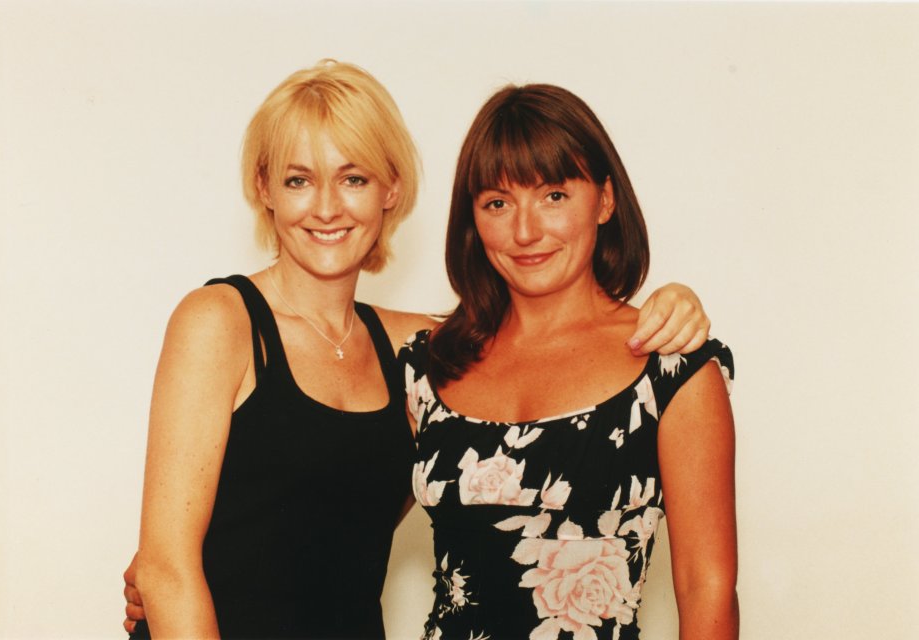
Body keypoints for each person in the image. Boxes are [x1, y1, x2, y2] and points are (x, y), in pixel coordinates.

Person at [123, 60, 713, 639]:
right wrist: (161, 574)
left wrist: (672, 300)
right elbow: (166, 569)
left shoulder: (421, 350)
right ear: (264, 189)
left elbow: (543, 334)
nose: (326, 207)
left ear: (391, 189)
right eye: (298, 179)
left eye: (352, 178)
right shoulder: (219, 322)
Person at [399, 84, 737, 640]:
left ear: (605, 200)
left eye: (553, 195)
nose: (525, 230)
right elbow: (343, 534)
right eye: (497, 203)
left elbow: (708, 590)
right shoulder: (428, 364)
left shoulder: (673, 367)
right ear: (472, 219)